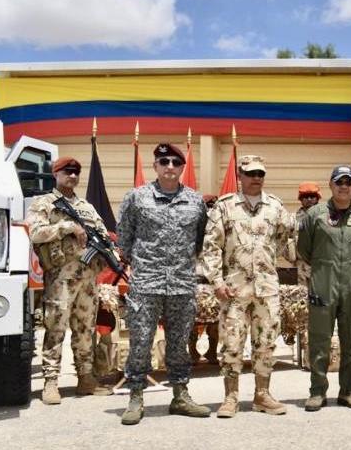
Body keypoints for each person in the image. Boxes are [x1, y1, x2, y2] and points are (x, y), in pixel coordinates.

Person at [116, 143, 210, 425]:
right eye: (164, 161)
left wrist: (181, 265)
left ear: (182, 168)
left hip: (182, 282)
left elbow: (200, 239)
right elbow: (124, 236)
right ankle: (135, 397)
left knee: (180, 342)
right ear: (155, 166)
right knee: (141, 341)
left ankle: (180, 395)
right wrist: (143, 265)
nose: (170, 166)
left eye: (175, 163)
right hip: (146, 281)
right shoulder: (137, 198)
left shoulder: (195, 201)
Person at [201, 155, 295, 418]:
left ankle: (262, 395)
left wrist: (265, 264)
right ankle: (230, 397)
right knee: (231, 343)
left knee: (266, 342)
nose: (256, 179)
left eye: (260, 174)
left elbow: (283, 240)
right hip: (234, 290)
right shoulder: (224, 207)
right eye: (251, 174)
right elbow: (210, 246)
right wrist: (217, 281)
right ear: (240, 176)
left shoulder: (275, 207)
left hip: (266, 289)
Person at [27, 156, 112, 404]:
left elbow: (103, 233)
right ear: (56, 174)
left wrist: (108, 248)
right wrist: (65, 227)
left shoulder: (87, 206)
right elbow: (34, 232)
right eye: (67, 172)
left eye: (75, 172)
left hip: (87, 279)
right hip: (61, 278)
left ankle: (85, 378)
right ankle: (51, 382)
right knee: (56, 328)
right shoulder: (44, 203)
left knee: (85, 329)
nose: (72, 176)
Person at [297, 165, 351, 411]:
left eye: (348, 182)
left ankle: (350, 390)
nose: (344, 186)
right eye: (339, 182)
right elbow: (304, 248)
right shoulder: (315, 214)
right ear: (331, 185)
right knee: (320, 337)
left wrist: (350, 266)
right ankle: (317, 391)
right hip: (323, 279)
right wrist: (326, 266)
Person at [190, 194, 220, 366]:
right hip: (196, 279)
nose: (210, 210)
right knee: (193, 319)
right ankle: (193, 352)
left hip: (213, 281)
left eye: (213, 207)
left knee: (215, 319)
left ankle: (212, 351)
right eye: (208, 206)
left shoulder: (218, 228)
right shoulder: (194, 228)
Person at [295, 182, 322, 290]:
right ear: (301, 199)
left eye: (312, 196)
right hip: (301, 266)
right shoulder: (294, 219)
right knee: (301, 298)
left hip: (321, 265)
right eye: (306, 196)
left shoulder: (327, 216)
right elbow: (286, 239)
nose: (309, 199)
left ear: (318, 198)